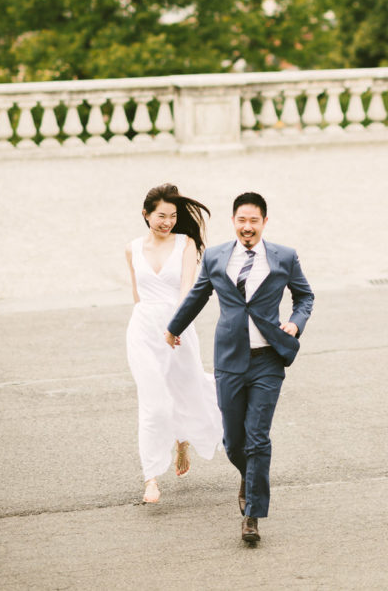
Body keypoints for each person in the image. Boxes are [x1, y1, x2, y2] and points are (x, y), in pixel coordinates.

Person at [165, 191, 314, 544]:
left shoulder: (284, 257)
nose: (248, 227)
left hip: (268, 360)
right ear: (233, 221)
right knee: (233, 442)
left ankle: (252, 516)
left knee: (258, 438)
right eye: (242, 220)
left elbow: (304, 296)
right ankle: (250, 477)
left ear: (265, 222)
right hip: (230, 360)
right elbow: (198, 295)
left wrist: (295, 324)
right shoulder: (216, 256)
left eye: (254, 221)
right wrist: (174, 327)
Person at [125, 183, 222, 504]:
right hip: (143, 330)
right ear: (146, 214)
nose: (168, 222)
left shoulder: (186, 244)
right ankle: (151, 477)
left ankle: (183, 440)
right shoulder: (132, 249)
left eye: (173, 216)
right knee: (153, 402)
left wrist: (176, 324)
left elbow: (187, 289)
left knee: (187, 389)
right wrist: (150, 325)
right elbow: (137, 295)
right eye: (161, 216)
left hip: (178, 327)